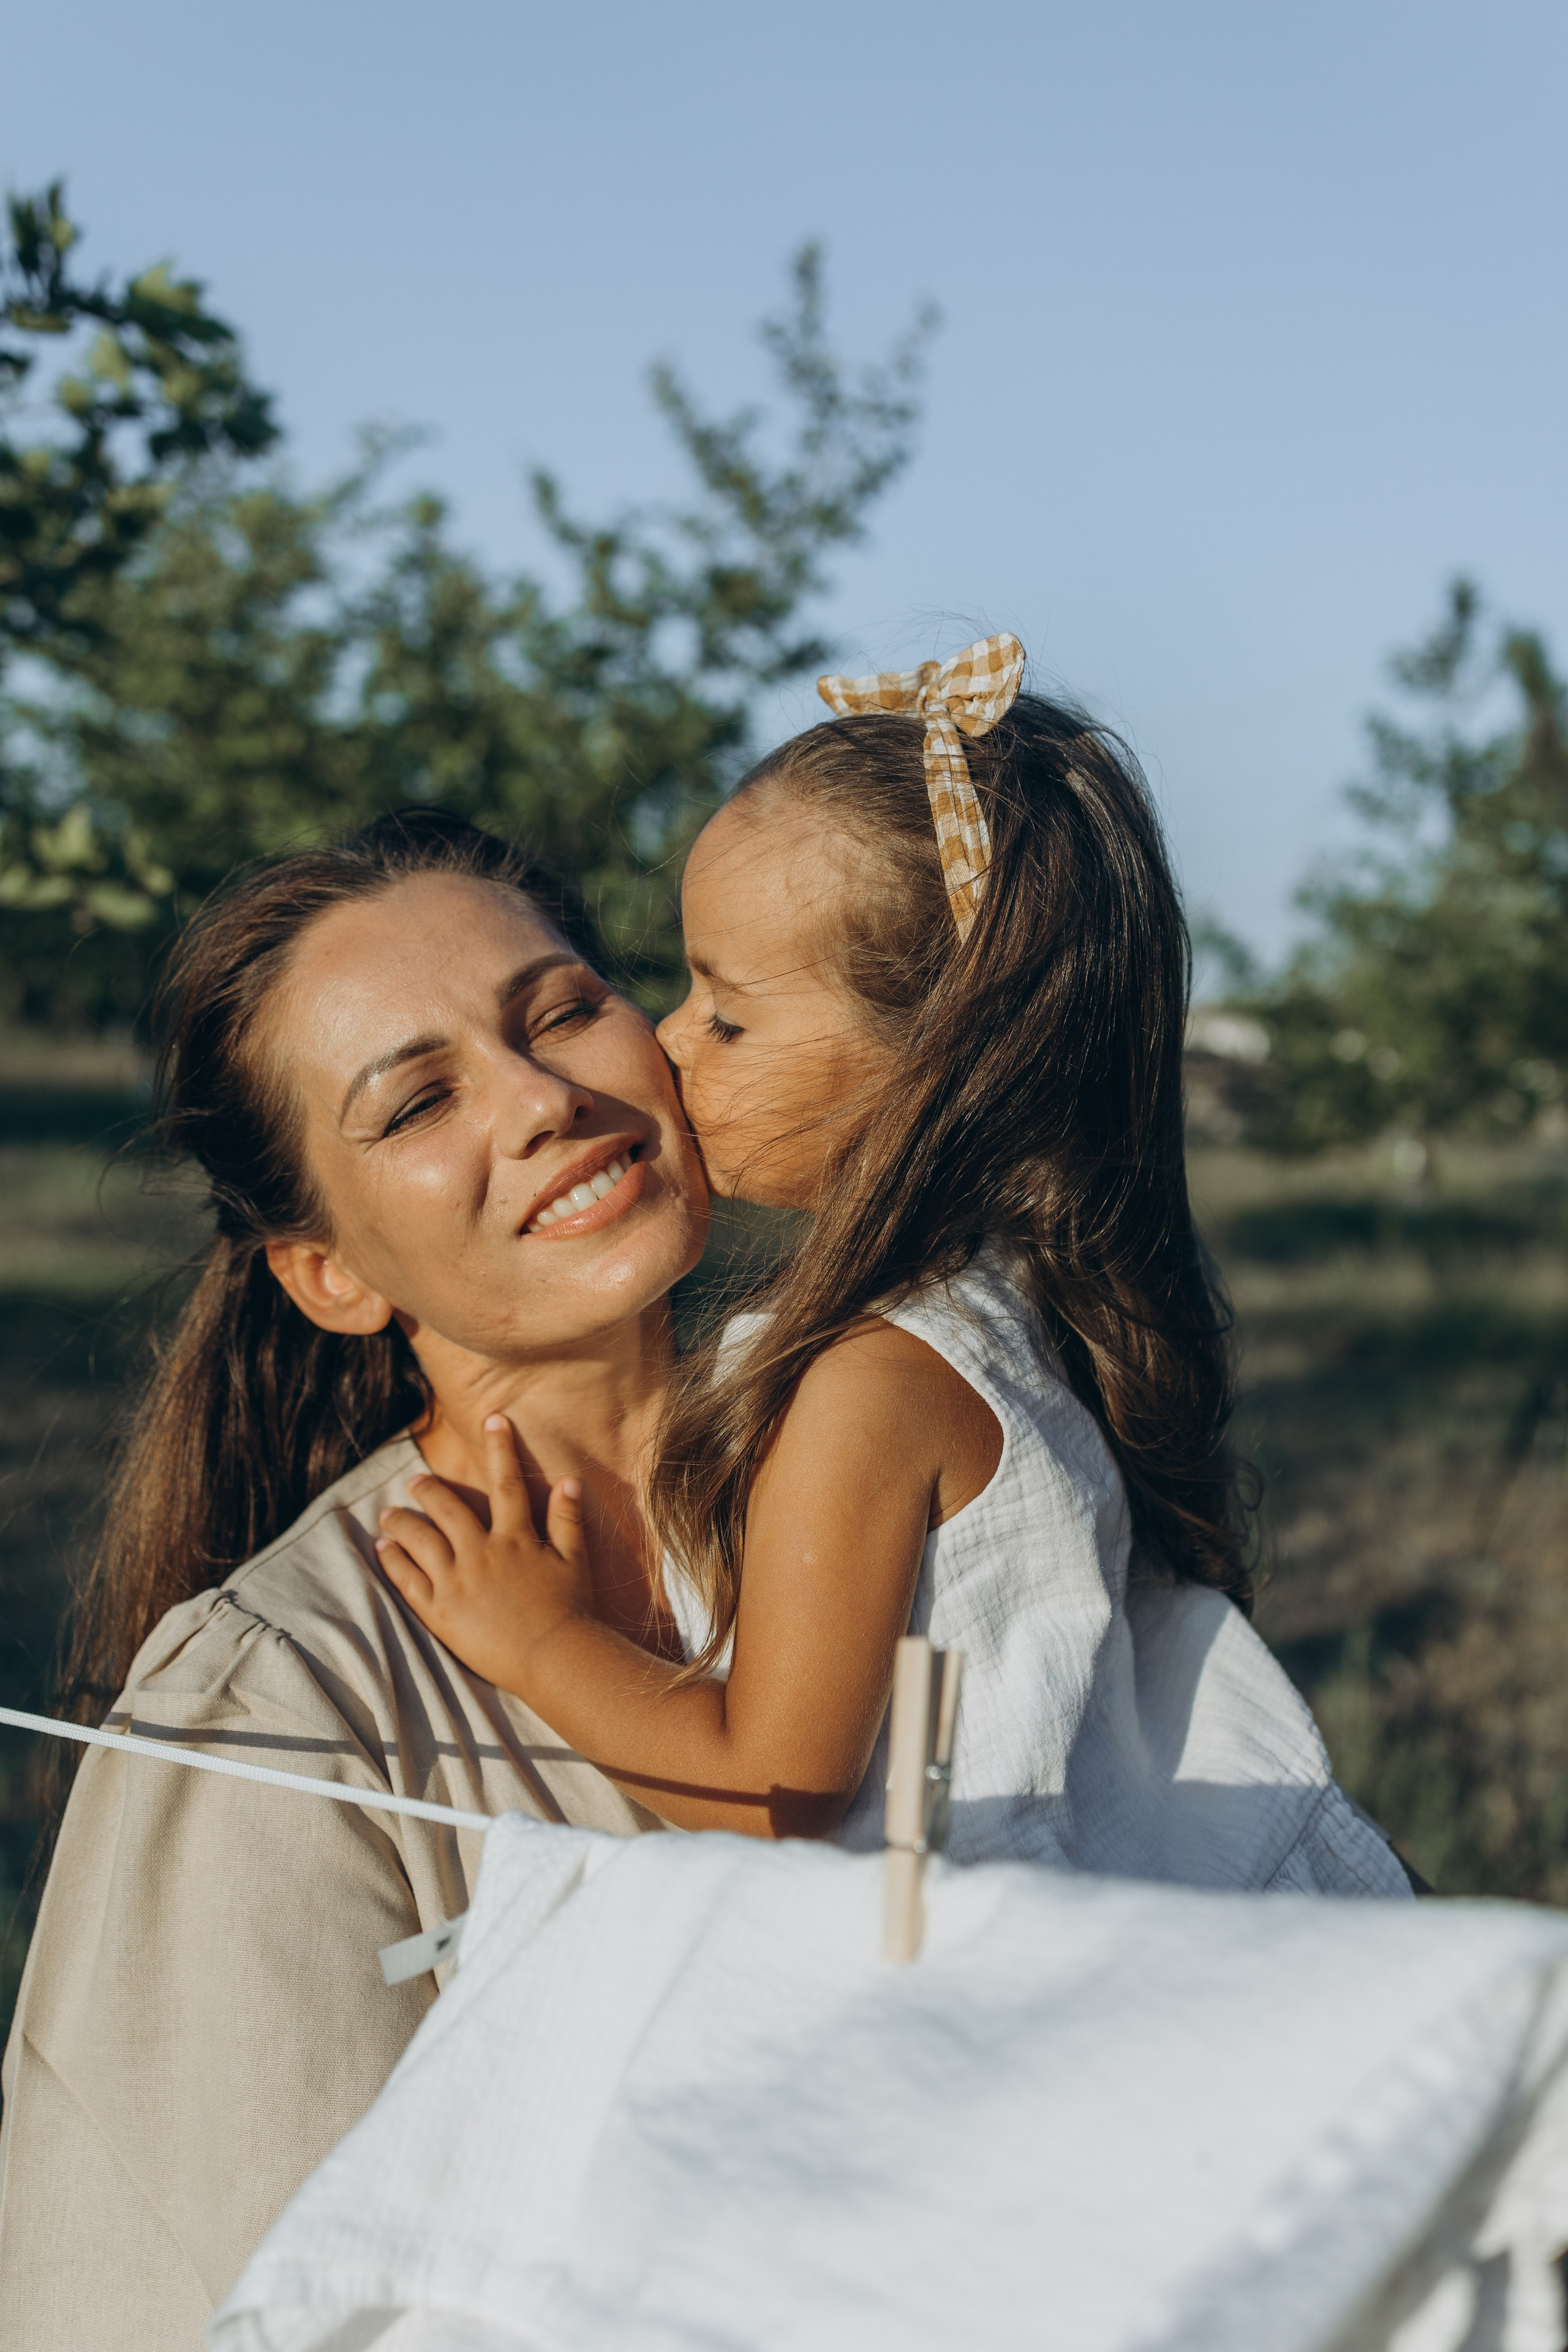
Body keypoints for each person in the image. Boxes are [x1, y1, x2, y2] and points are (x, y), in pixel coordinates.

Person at [375, 635, 1413, 1897]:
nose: (669, 1041)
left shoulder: (869, 1383)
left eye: (728, 1014)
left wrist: (539, 1639)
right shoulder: (1018, 1292)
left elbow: (776, 1793)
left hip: (965, 1956)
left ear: (936, 1061)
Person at [0, 812, 710, 2351]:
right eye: (418, 1101)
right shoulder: (268, 1715)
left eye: (562, 1013)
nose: (543, 1099)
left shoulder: (934, 1477)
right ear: (329, 1272)